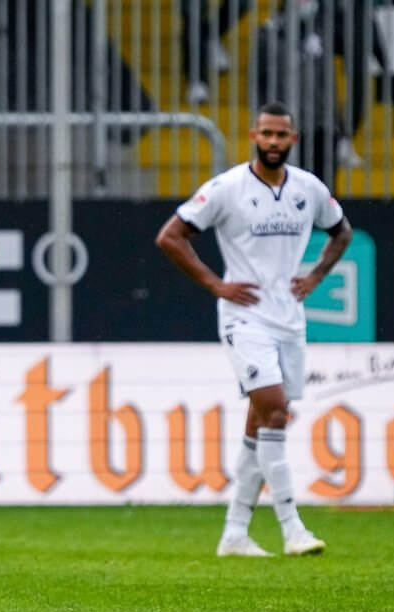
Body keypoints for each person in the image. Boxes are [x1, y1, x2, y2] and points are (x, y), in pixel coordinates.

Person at [155, 101, 353, 558]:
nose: (273, 142)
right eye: (266, 134)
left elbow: (341, 231)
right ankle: (292, 528)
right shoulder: (227, 189)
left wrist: (317, 276)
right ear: (253, 136)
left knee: (262, 420)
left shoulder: (308, 188)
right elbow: (170, 235)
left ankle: (234, 533)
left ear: (293, 140)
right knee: (276, 412)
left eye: (281, 135)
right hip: (245, 318)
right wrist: (214, 283)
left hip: (289, 317)